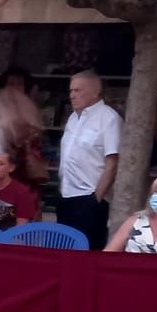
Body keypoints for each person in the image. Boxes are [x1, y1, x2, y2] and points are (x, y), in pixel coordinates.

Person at [57, 70, 124, 249]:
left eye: (78, 90)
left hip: (89, 199)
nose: (72, 95)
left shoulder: (109, 118)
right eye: (71, 91)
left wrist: (96, 198)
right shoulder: (72, 118)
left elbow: (113, 161)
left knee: (88, 253)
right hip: (65, 195)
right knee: (65, 251)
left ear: (95, 92)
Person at [0, 149, 41, 228]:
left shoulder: (22, 192)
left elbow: (21, 227)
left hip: (12, 237)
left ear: (11, 167)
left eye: (0, 164)